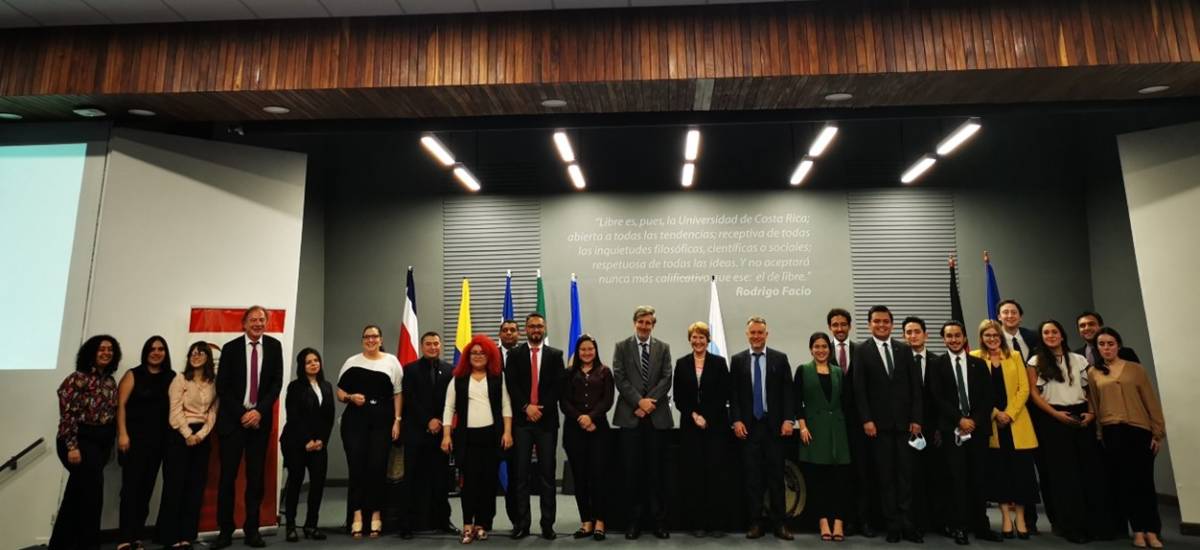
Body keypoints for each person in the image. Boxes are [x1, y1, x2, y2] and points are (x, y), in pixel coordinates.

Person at [1027, 320, 1110, 543]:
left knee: (1088, 473)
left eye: (1054, 331)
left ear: (1062, 335)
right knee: (1064, 476)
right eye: (1046, 332)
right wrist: (1056, 414)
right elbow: (1034, 394)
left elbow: (1088, 390)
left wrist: (1091, 413)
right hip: (1053, 419)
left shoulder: (1079, 359)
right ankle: (1071, 526)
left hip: (1082, 417)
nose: (1050, 335)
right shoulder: (1035, 362)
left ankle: (1094, 525)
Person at [1088, 327, 1167, 549]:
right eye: (1101, 344)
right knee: (1126, 484)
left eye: (1110, 343)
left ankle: (1152, 530)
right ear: (1097, 348)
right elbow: (1095, 404)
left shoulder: (1135, 369)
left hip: (1139, 430)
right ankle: (1138, 531)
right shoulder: (1094, 373)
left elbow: (1150, 400)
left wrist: (1157, 432)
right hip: (1112, 432)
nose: (1106, 348)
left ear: (1118, 345)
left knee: (1144, 483)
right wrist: (1099, 434)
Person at [214, 306, 283, 549]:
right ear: (244, 323)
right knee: (227, 479)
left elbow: (276, 384)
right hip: (233, 423)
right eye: (253, 320)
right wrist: (243, 414)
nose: (257, 323)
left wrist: (258, 411)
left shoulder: (274, 347)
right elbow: (222, 387)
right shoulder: (230, 348)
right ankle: (225, 531)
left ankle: (252, 530)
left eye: (261, 319)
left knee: (256, 480)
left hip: (259, 424)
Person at [852, 305, 923, 543]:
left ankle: (908, 525)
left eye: (885, 321)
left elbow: (915, 388)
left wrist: (916, 419)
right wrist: (867, 420)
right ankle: (892, 525)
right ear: (869, 324)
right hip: (878, 427)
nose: (881, 325)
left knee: (906, 477)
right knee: (886, 478)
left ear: (891, 324)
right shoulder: (861, 351)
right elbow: (859, 389)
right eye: (876, 321)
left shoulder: (904, 349)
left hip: (905, 426)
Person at [49, 335, 121, 550]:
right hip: (79, 442)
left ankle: (61, 545)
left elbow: (111, 416)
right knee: (92, 497)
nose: (106, 353)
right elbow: (68, 415)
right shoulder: (77, 379)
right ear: (91, 353)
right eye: (101, 349)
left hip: (100, 445)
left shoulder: (110, 382)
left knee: (76, 494)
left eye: (110, 349)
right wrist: (72, 446)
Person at [931, 321, 999, 545]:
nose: (954, 340)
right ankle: (959, 526)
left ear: (964, 338)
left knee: (979, 478)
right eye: (949, 336)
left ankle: (981, 526)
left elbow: (988, 397)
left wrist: (973, 421)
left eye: (957, 335)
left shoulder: (979, 364)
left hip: (977, 430)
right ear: (944, 339)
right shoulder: (936, 365)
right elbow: (937, 398)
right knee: (956, 480)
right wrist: (959, 419)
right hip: (951, 431)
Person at [441, 335, 514, 544]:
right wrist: (446, 435)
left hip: (492, 437)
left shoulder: (498, 377)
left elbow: (506, 406)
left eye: (482, 353)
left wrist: (507, 432)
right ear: (467, 356)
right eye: (474, 353)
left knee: (488, 484)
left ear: (490, 355)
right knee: (469, 483)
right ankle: (467, 525)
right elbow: (449, 407)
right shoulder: (458, 378)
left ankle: (482, 524)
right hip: (467, 439)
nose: (478, 356)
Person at [611, 305, 674, 539]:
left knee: (657, 473)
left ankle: (658, 522)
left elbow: (667, 378)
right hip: (631, 418)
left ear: (653, 325)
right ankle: (634, 522)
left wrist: (649, 403)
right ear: (634, 323)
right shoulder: (622, 347)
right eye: (641, 322)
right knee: (632, 473)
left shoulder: (663, 348)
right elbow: (620, 378)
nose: (644, 326)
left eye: (648, 323)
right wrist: (639, 402)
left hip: (657, 419)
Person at [971, 320, 1038, 539]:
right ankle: (1006, 519)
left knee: (1021, 473)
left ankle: (1021, 518)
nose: (992, 339)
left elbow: (1024, 388)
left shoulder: (1015, 356)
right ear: (982, 338)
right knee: (999, 473)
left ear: (1001, 337)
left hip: (1016, 422)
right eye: (987, 335)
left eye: (995, 335)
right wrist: (995, 413)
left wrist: (1009, 413)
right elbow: (975, 393)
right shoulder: (974, 357)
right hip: (991, 423)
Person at [730, 316, 794, 540]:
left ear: (766, 334)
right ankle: (755, 523)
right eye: (753, 333)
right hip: (749, 429)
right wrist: (736, 420)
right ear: (747, 335)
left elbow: (788, 392)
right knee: (753, 479)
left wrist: (789, 420)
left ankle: (780, 524)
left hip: (774, 427)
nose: (756, 336)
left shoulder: (779, 358)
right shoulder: (737, 360)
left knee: (776, 477)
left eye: (760, 333)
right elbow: (734, 395)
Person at [337, 324, 403, 538]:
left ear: (381, 340)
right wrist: (350, 397)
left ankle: (376, 513)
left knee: (377, 467)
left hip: (382, 422)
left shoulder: (392, 362)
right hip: (354, 422)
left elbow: (398, 394)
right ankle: (356, 515)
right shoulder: (351, 362)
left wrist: (397, 420)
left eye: (375, 336)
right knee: (357, 468)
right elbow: (340, 392)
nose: (371, 340)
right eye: (367, 336)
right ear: (362, 340)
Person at [504, 312, 566, 540]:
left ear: (544, 328)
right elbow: (511, 384)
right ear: (526, 329)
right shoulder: (514, 355)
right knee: (521, 475)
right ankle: (522, 524)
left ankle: (547, 525)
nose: (536, 330)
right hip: (521, 423)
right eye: (532, 326)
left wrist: (539, 409)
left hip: (546, 422)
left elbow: (558, 387)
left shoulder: (555, 355)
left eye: (539, 326)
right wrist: (526, 407)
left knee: (547, 475)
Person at [116, 336, 175, 550]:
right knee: (130, 490)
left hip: (159, 443)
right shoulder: (133, 374)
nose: (156, 352)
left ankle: (137, 537)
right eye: (152, 349)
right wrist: (122, 434)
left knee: (146, 491)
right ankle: (124, 539)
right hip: (133, 441)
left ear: (165, 353)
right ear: (146, 352)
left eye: (160, 349)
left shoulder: (171, 377)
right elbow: (120, 406)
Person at [158, 342, 219, 549]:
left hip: (202, 438)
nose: (196, 356)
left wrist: (200, 435)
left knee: (195, 487)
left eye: (200, 353)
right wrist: (187, 434)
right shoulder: (180, 379)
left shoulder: (213, 383)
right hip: (179, 436)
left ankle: (186, 535)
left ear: (207, 357)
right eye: (192, 353)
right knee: (175, 486)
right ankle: (170, 536)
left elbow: (212, 412)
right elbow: (174, 410)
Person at [672, 322, 729, 538]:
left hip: (715, 427)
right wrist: (695, 415)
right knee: (694, 475)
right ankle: (697, 523)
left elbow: (724, 394)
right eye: (694, 337)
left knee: (715, 474)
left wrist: (707, 417)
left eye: (702, 337)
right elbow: (679, 397)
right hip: (690, 427)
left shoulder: (719, 363)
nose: (698, 341)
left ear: (708, 340)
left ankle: (716, 523)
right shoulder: (681, 364)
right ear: (690, 340)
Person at [998, 299, 1048, 535]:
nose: (1009, 315)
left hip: (1038, 407)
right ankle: (1020, 519)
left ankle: (1031, 519)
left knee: (1037, 466)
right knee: (1014, 466)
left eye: (1014, 312)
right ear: (999, 317)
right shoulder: (993, 340)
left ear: (1020, 316)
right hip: (1008, 413)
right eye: (1005, 312)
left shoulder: (1034, 338)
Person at [795, 332, 851, 542]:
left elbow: (845, 401)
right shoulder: (803, 370)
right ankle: (823, 521)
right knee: (819, 480)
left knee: (840, 480)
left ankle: (839, 522)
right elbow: (796, 401)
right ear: (811, 349)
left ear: (829, 349)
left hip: (838, 429)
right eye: (816, 346)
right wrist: (802, 426)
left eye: (824, 346)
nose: (821, 350)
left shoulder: (838, 372)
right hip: (814, 430)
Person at [401, 331, 455, 538]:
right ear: (422, 346)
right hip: (416, 433)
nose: (433, 347)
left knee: (441, 480)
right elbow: (409, 399)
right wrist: (427, 421)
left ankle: (443, 521)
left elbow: (451, 401)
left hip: (441, 433)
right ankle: (407, 525)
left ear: (440, 345)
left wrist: (439, 421)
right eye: (429, 344)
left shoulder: (449, 370)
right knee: (412, 479)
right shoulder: (410, 369)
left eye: (436, 343)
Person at [829, 307, 878, 538]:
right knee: (842, 475)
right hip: (835, 425)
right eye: (835, 325)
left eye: (843, 324)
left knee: (863, 473)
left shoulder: (863, 351)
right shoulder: (823, 350)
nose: (839, 328)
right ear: (830, 327)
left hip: (861, 424)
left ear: (849, 326)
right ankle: (846, 521)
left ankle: (865, 520)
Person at [562, 334, 616, 540]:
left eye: (590, 349)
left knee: (599, 477)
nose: (587, 352)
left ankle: (600, 521)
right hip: (574, 431)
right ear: (578, 352)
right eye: (583, 349)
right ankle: (586, 521)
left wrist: (591, 417)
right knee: (580, 477)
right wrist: (581, 418)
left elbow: (607, 400)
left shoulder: (605, 372)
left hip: (598, 430)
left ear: (595, 351)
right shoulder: (569, 373)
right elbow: (564, 402)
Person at [280, 348, 334, 542]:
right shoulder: (295, 387)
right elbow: (293, 417)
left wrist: (321, 440)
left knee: (317, 484)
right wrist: (306, 441)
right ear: (302, 366)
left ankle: (311, 525)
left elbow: (329, 417)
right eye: (309, 362)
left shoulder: (326, 386)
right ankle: (291, 526)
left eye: (316, 360)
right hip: (296, 443)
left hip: (319, 444)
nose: (313, 364)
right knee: (295, 483)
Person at [903, 316, 945, 538]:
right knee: (912, 477)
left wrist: (939, 427)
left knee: (936, 475)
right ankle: (915, 523)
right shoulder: (899, 363)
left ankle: (937, 521)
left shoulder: (939, 361)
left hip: (935, 428)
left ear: (925, 335)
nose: (913, 336)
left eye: (917, 331)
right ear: (903, 336)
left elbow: (945, 397)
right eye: (908, 332)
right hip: (909, 428)